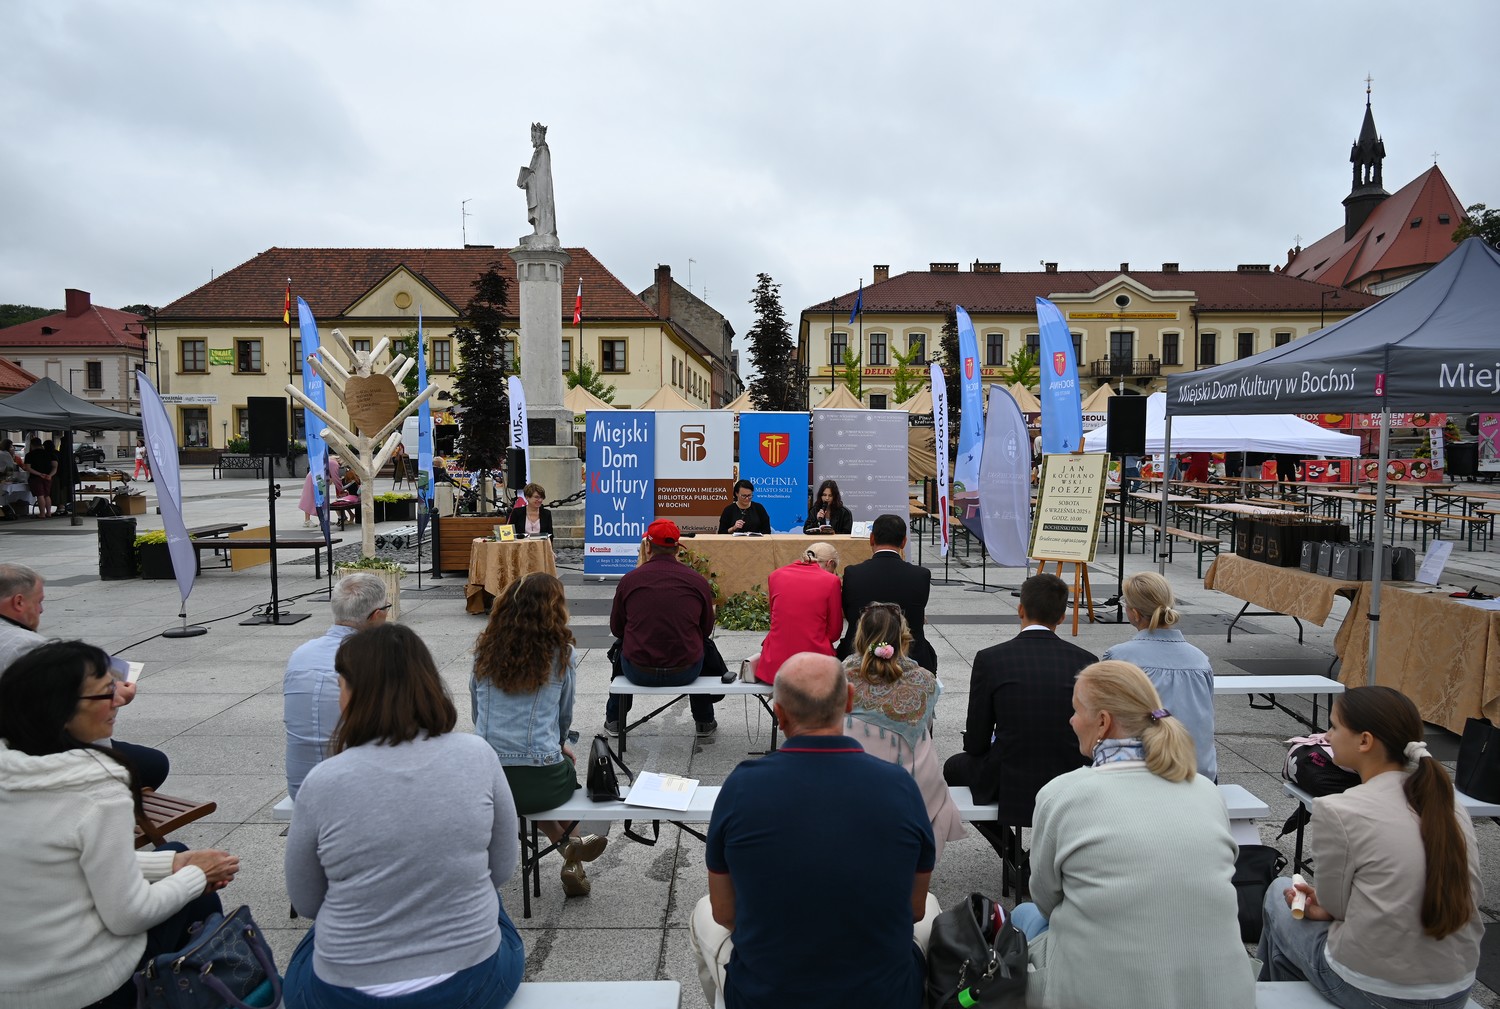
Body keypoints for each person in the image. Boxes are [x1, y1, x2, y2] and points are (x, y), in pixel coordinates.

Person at [285, 624, 524, 1009]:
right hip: (469, 984)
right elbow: (501, 869)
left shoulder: (323, 781)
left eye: (340, 686)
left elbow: (308, 902)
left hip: (345, 995)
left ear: (355, 694)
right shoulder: (477, 755)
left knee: (313, 943)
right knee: (487, 899)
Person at [687, 653, 938, 1009]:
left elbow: (725, 913)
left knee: (703, 911)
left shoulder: (742, 787)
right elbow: (914, 909)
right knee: (932, 906)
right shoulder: (899, 786)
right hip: (885, 997)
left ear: (779, 714)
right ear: (849, 700)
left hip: (768, 997)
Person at [0, 641, 238, 1009]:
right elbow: (129, 916)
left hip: (13, 984)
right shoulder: (96, 789)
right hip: (84, 988)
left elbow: (58, 855)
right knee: (196, 896)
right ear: (60, 710)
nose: (117, 700)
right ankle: (212, 988)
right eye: (105, 692)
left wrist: (174, 864)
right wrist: (197, 876)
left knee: (174, 853)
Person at [1012, 660, 1254, 1009]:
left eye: (1076, 710)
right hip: (1223, 992)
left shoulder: (1062, 794)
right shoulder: (1205, 790)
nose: (1071, 720)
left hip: (1099, 994)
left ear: (1103, 722)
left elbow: (1047, 900)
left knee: (1024, 914)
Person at [1257, 686, 1483, 1009]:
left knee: (1279, 894)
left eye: (1334, 727)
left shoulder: (1338, 809)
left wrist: (1323, 907)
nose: (1326, 736)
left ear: (1364, 741)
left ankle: (1267, 996)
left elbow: (1336, 907)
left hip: (1374, 991)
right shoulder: (1448, 805)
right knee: (1291, 946)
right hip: (1456, 988)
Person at [472, 573, 607, 897]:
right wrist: (560, 744)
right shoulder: (562, 653)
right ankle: (572, 851)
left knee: (523, 790)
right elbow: (564, 713)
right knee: (561, 774)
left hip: (488, 782)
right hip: (541, 780)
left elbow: (477, 711)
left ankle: (568, 847)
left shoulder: (484, 651)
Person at [0, 563, 170, 790]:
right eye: (39, 601)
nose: (41, 610)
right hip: (35, 753)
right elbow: (63, 711)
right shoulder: (26, 647)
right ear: (19, 602)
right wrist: (115, 695)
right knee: (155, 764)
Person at [942, 572, 1095, 823]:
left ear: (1020, 610)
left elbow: (977, 742)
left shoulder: (991, 659)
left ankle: (1005, 844)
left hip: (1009, 779)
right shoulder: (1086, 660)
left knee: (953, 767)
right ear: (1062, 617)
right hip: (1068, 775)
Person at [843, 603, 965, 860]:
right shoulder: (925, 681)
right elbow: (926, 730)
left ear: (860, 638)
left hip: (853, 789)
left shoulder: (839, 678)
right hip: (913, 791)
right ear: (903, 639)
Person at [603, 519, 718, 736]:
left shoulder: (629, 580)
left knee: (623, 644)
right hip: (686, 670)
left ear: (647, 546)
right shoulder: (697, 581)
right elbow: (705, 629)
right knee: (699, 644)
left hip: (638, 670)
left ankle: (615, 719)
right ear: (677, 549)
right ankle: (704, 720)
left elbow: (617, 628)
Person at [282, 572, 391, 800]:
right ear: (377, 615)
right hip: (352, 791)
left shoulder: (300, 655)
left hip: (300, 788)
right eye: (387, 609)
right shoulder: (375, 659)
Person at [1101, 571, 1217, 781]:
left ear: (1135, 614)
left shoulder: (1120, 657)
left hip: (1145, 775)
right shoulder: (1199, 660)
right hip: (1199, 773)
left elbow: (1105, 720)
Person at [837, 513, 937, 674]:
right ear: (904, 542)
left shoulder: (853, 574)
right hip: (910, 654)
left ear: (871, 539)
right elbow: (916, 616)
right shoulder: (920, 575)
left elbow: (850, 614)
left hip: (859, 653)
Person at [753, 542, 842, 684]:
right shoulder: (831, 581)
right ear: (830, 563)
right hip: (815, 663)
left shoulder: (776, 575)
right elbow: (834, 632)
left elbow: (775, 618)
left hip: (775, 664)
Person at [25, 436, 58, 519]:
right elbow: (55, 466)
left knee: (40, 495)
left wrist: (39, 474)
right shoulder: (50, 454)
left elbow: (28, 468)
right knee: (47, 495)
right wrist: (50, 475)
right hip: (48, 477)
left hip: (35, 477)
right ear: (41, 444)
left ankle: (42, 514)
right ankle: (49, 513)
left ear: (32, 445)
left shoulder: (29, 455)